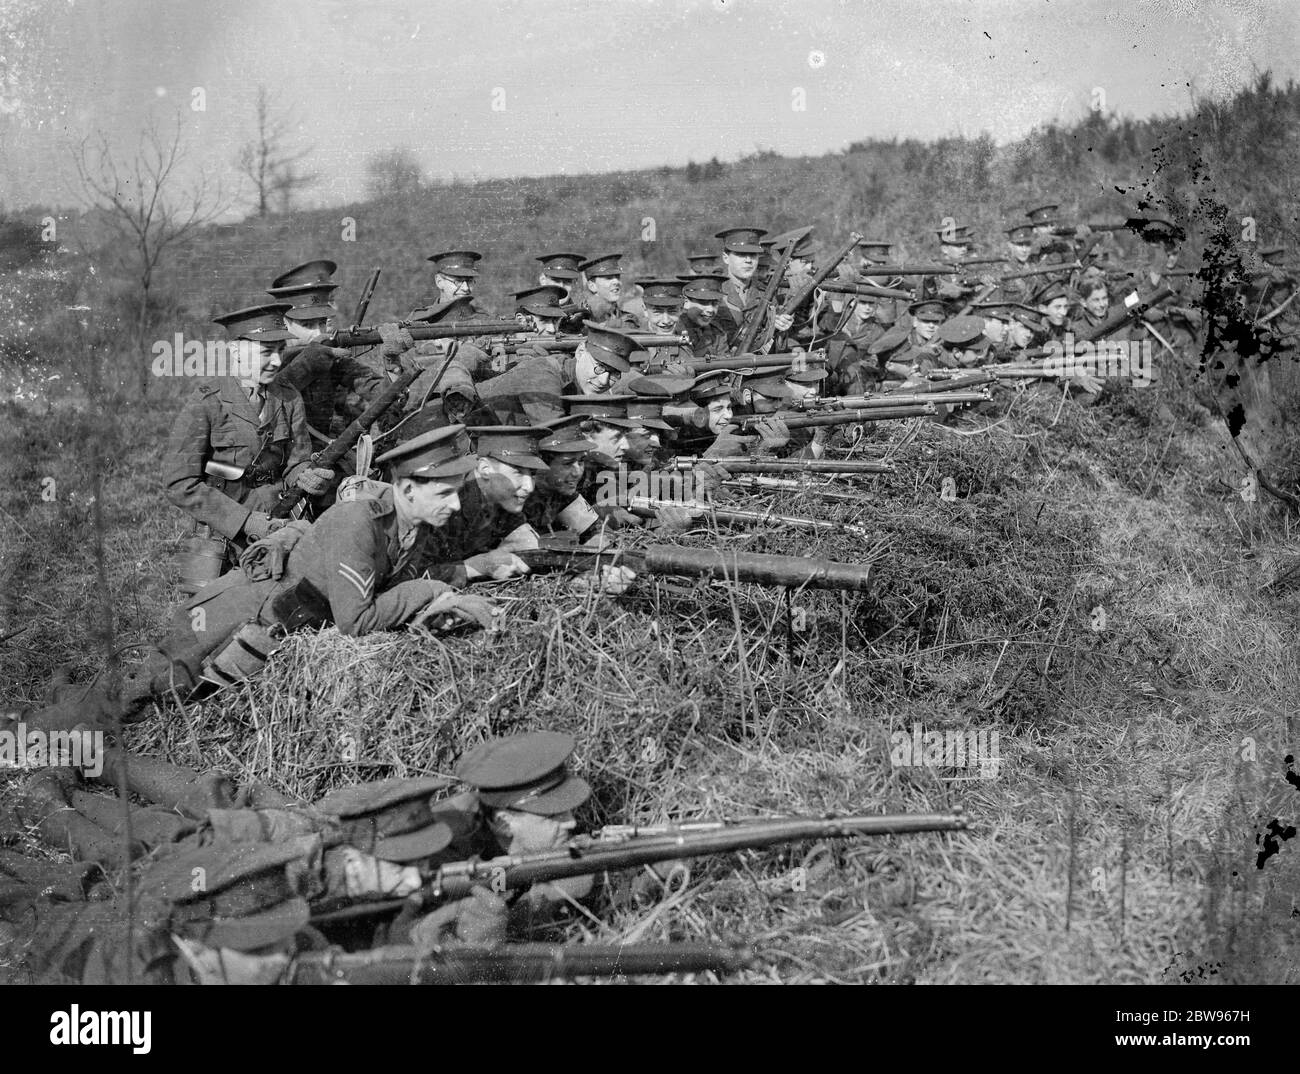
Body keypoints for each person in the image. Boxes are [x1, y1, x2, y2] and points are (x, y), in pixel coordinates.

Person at [22, 427, 497, 733]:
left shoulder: (408, 522)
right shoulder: (360, 522)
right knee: (136, 702)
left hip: (272, 629)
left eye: (457, 494)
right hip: (232, 621)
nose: (455, 506)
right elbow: (358, 620)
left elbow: (393, 578)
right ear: (408, 488)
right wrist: (434, 591)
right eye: (446, 494)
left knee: (158, 717)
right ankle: (30, 728)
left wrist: (476, 569)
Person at [164, 303, 327, 594]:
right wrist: (247, 522)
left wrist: (306, 475)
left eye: (280, 350)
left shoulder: (288, 398)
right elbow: (180, 483)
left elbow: (296, 461)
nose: (277, 362)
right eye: (267, 352)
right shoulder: (207, 402)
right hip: (226, 533)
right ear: (236, 352)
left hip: (282, 519)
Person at [478, 322, 637, 425]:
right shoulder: (543, 374)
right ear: (580, 352)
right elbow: (557, 442)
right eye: (600, 367)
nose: (604, 381)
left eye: (614, 374)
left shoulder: (575, 380)